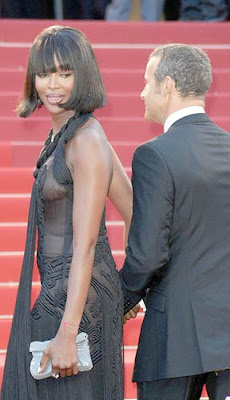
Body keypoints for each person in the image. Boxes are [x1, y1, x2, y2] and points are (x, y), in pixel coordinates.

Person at [120, 44, 230, 400]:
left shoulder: (155, 154)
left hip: (178, 337)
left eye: (146, 83)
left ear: (167, 85)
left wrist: (118, 300)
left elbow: (147, 256)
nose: (142, 92)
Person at [1, 25, 132, 400]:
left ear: (83, 74)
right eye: (43, 74)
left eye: (64, 73)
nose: (52, 85)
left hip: (75, 305)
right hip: (69, 293)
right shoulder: (73, 134)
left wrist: (69, 329)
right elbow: (134, 208)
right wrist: (124, 291)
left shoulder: (86, 141)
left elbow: (86, 244)